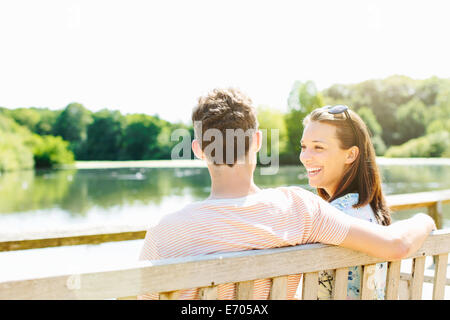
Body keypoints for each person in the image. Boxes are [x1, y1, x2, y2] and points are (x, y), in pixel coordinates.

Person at [138, 88, 435, 300]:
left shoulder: (164, 234)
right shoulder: (300, 209)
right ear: (256, 142)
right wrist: (425, 219)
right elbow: (396, 245)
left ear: (199, 151)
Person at [300, 105, 390, 299]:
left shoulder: (331, 217)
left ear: (350, 155)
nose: (305, 157)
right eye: (304, 147)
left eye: (318, 147)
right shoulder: (370, 210)